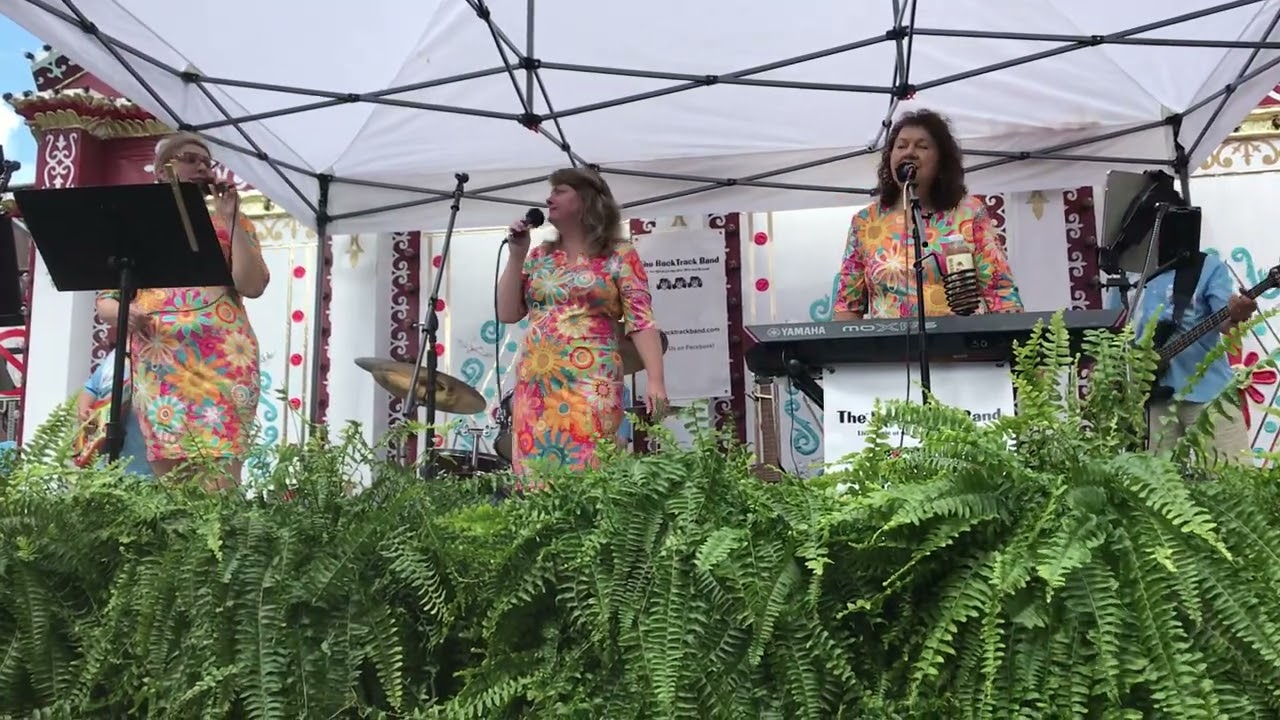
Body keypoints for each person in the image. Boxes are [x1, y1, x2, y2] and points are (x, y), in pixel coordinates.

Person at [94, 133, 269, 487]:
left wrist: (232, 219)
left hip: (223, 364)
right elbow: (106, 302)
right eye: (190, 159)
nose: (202, 166)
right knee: (174, 486)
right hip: (160, 366)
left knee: (219, 485)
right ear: (162, 170)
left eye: (207, 161)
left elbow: (252, 286)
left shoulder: (232, 222)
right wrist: (125, 312)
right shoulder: (138, 226)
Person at [495, 167, 667, 477]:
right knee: (537, 478)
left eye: (560, 191)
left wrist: (656, 381)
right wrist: (517, 255)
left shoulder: (620, 255)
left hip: (593, 384)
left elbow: (641, 321)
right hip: (537, 387)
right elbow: (507, 313)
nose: (549, 199)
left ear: (587, 200)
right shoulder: (539, 256)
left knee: (591, 473)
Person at [833, 109, 1023, 320]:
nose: (909, 152)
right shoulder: (866, 221)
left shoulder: (969, 213)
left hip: (959, 338)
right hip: (890, 341)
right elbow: (847, 305)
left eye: (922, 146)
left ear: (941, 160)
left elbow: (1001, 293)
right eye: (901, 146)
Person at [1109, 248, 1257, 462]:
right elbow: (1115, 332)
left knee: (1232, 473)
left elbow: (1226, 323)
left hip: (1208, 392)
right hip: (1150, 399)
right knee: (1154, 478)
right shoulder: (1127, 275)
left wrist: (1237, 314)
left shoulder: (1208, 267)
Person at [76, 348, 154, 477]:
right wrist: (84, 412)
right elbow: (91, 388)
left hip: (142, 467)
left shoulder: (158, 356)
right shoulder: (115, 356)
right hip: (103, 462)